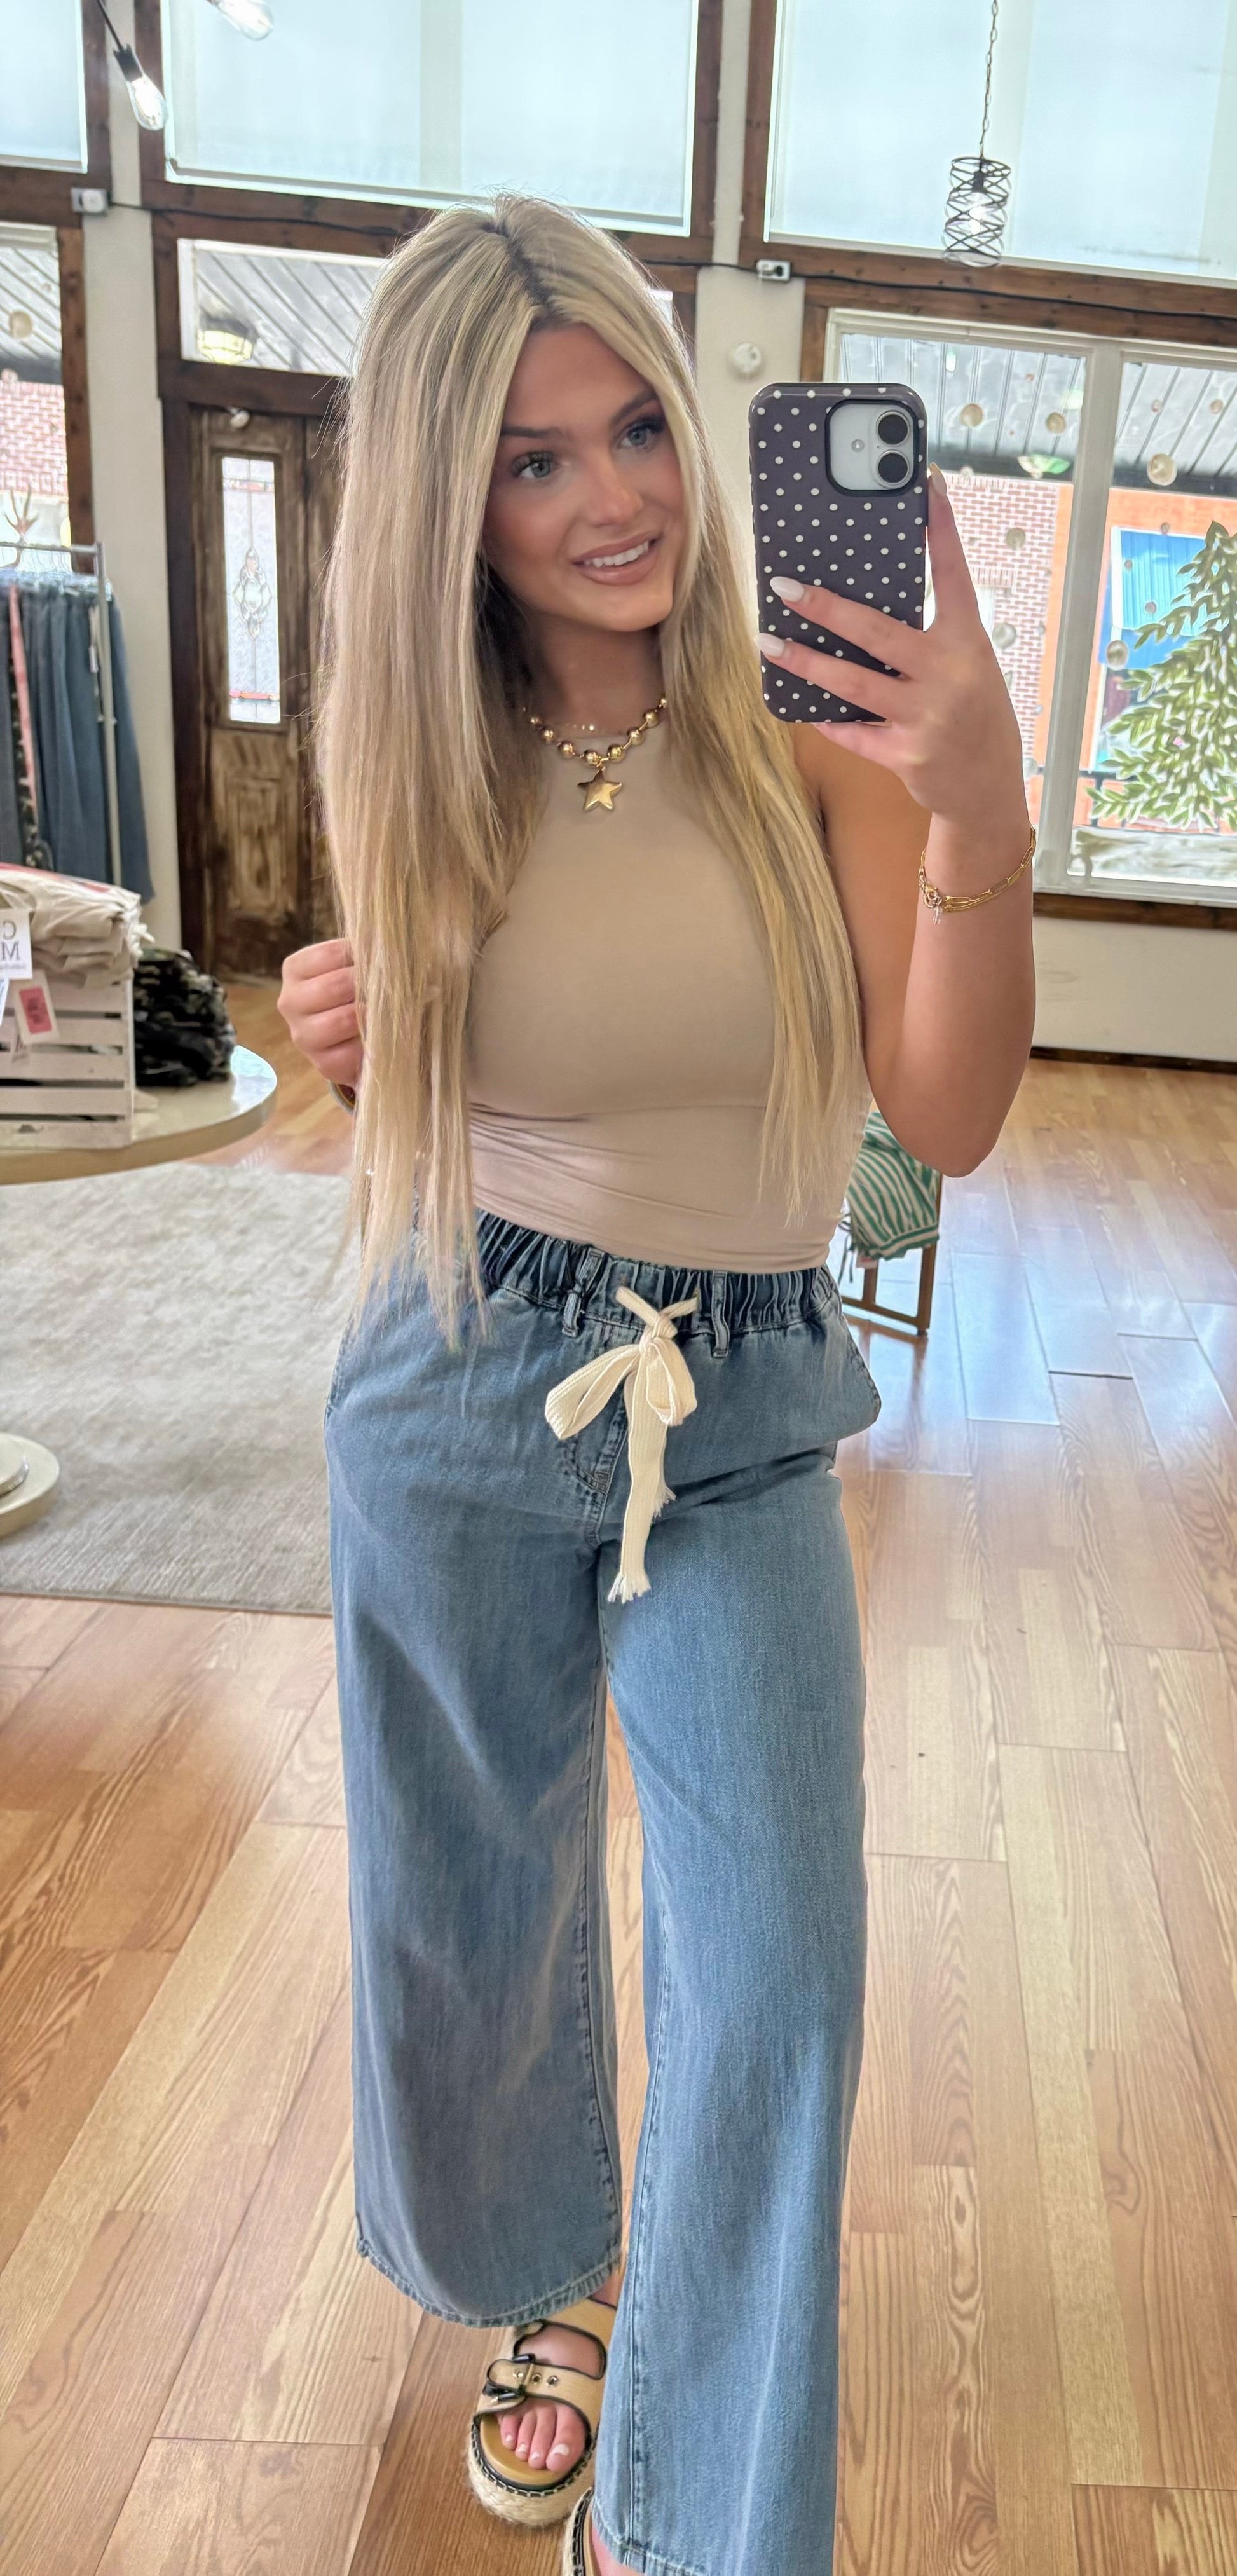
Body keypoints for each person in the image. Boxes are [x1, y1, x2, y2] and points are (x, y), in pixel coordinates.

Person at [278, 195, 1034, 2576]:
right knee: (477, 1906)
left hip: (736, 1402)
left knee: (780, 1959)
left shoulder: (817, 717)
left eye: (635, 427)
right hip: (457, 1363)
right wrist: (356, 1041)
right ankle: (556, 2280)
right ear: (447, 504)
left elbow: (947, 1110)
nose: (610, 497)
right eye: (531, 462)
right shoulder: (423, 740)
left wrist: (982, 808)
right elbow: (446, 1078)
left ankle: (695, 2511)